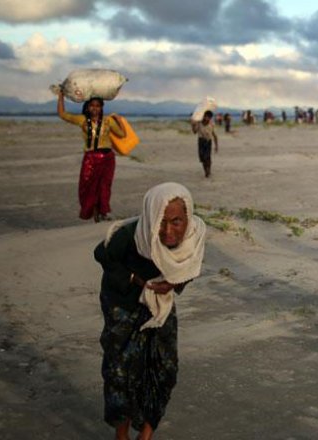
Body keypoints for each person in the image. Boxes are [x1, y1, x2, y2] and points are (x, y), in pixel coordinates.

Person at [94, 182, 206, 440]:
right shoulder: (131, 234)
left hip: (159, 304)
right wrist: (136, 280)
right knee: (120, 370)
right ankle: (121, 436)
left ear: (188, 217)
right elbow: (101, 253)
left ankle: (146, 434)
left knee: (164, 367)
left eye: (176, 222)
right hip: (121, 303)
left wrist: (173, 283)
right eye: (161, 221)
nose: (168, 230)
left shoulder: (194, 236)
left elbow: (189, 269)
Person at [57, 91, 126, 222]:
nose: (95, 108)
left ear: (101, 108)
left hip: (108, 158)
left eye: (98, 106)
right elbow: (62, 114)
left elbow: (122, 134)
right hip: (90, 158)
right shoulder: (82, 120)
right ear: (88, 107)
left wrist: (119, 120)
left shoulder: (108, 121)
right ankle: (94, 212)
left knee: (105, 186)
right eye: (92, 105)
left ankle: (103, 213)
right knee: (88, 186)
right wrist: (60, 96)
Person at [191, 111, 219, 178]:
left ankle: (208, 170)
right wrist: (193, 125)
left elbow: (214, 135)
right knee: (202, 158)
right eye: (205, 116)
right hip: (201, 141)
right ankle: (205, 171)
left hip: (208, 141)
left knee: (207, 157)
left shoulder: (211, 124)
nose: (206, 118)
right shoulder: (199, 123)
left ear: (210, 118)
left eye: (208, 117)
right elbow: (194, 132)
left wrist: (216, 146)